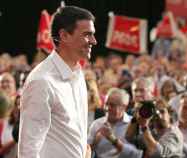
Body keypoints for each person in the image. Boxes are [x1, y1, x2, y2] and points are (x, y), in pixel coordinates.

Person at [18, 6, 97, 158]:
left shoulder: (78, 73)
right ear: (64, 35)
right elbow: (28, 150)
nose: (94, 41)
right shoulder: (41, 82)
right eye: (87, 35)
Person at [87, 88, 132, 158]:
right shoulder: (96, 124)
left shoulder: (133, 124)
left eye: (112, 105)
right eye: (106, 104)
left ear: (123, 107)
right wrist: (95, 142)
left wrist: (111, 138)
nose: (107, 108)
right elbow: (87, 153)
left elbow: (137, 153)